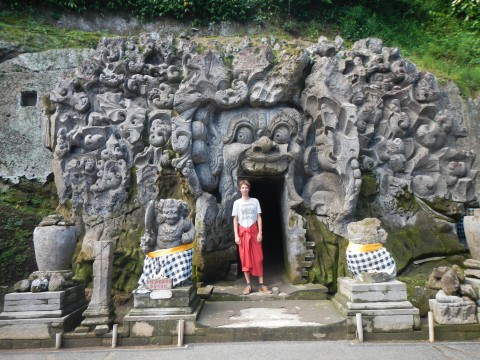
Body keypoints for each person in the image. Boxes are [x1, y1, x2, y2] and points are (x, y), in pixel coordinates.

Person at [232, 180, 272, 295]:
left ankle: (261, 285)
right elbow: (235, 219)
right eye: (242, 188)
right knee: (245, 258)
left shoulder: (255, 201)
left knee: (258, 258)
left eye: (246, 188)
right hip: (242, 232)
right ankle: (248, 285)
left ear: (249, 189)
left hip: (254, 231)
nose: (244, 190)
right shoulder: (237, 203)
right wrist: (236, 235)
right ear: (240, 189)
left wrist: (260, 232)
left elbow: (259, 217)